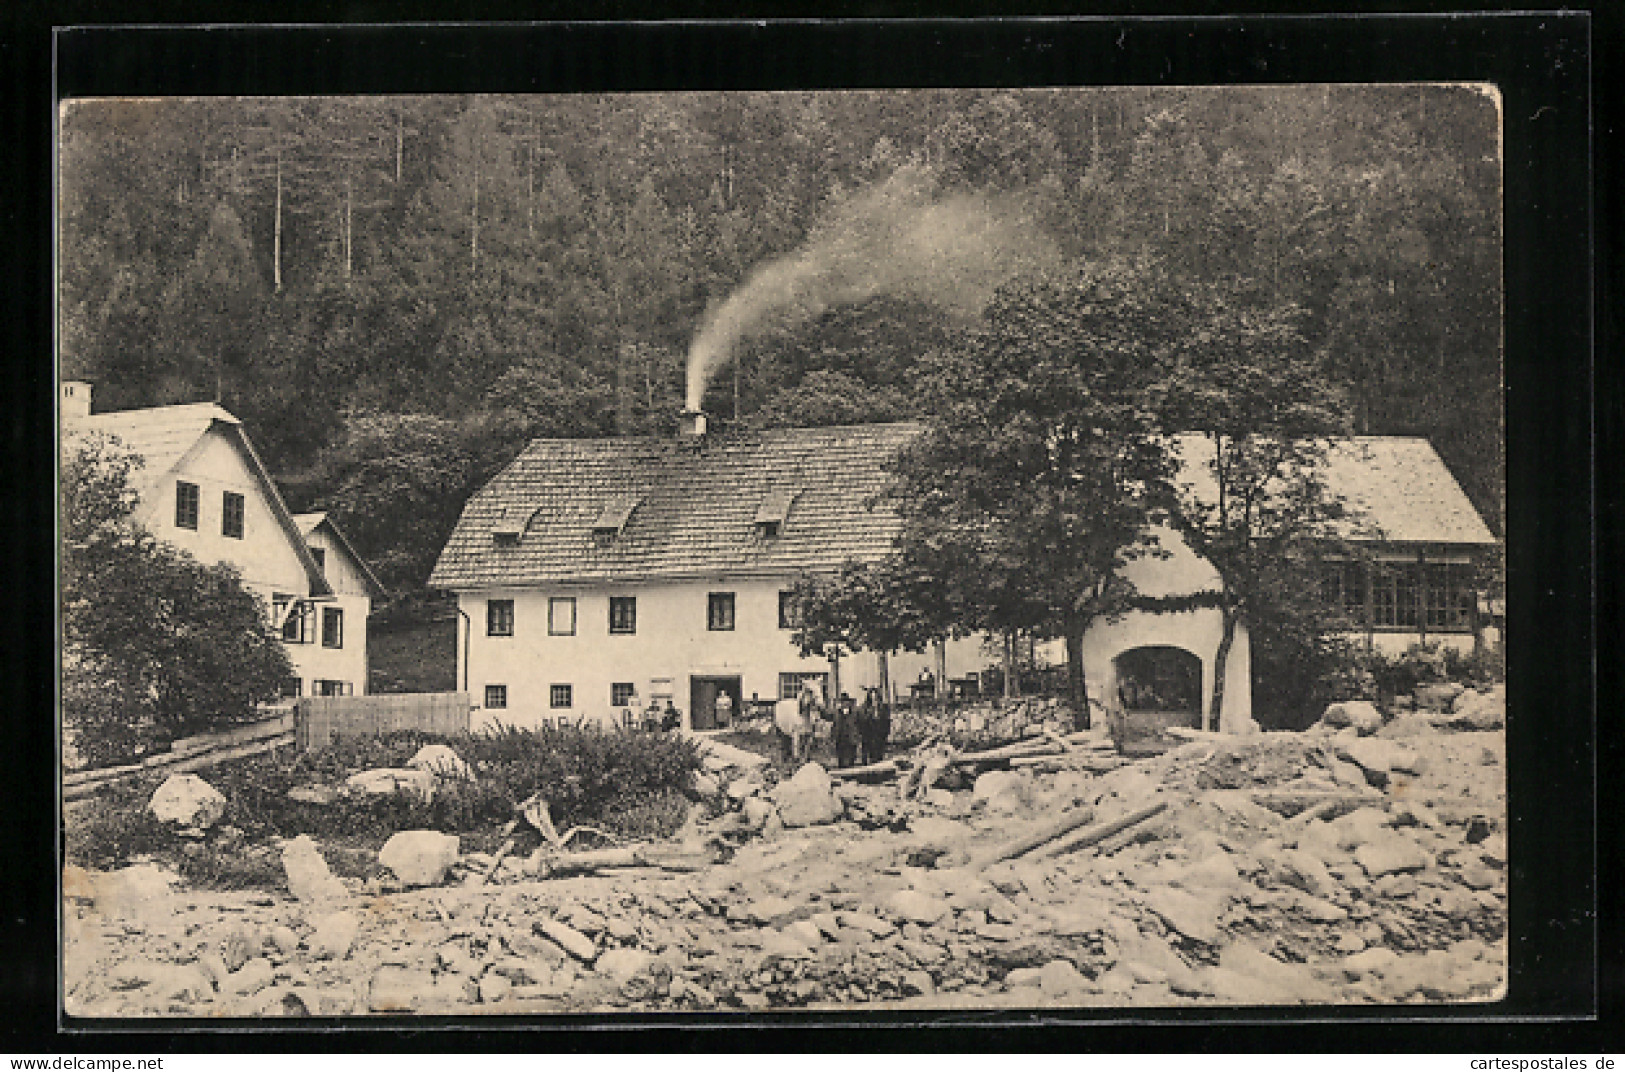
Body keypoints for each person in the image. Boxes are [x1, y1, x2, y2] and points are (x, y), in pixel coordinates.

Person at [858, 687, 892, 765]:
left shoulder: (883, 708)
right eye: (872, 697)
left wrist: (886, 733)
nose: (874, 700)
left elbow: (887, 721)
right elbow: (862, 721)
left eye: (875, 697)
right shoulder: (864, 708)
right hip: (868, 735)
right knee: (868, 756)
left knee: (879, 756)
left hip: (880, 736)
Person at [832, 691, 858, 768]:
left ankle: (851, 777)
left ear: (849, 703)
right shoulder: (837, 713)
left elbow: (859, 724)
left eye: (846, 702)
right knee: (841, 760)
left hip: (851, 740)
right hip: (840, 740)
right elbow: (827, 715)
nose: (845, 704)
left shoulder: (854, 713)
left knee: (851, 760)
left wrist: (857, 736)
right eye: (843, 702)